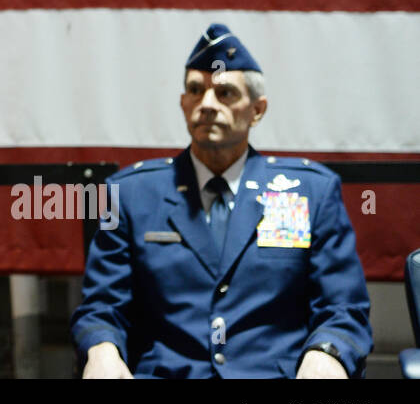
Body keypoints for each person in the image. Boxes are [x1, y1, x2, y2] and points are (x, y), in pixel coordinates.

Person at [71, 23, 372, 378]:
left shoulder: (308, 191)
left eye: (225, 93)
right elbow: (103, 306)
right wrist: (101, 348)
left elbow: (343, 306)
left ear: (257, 110)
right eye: (195, 91)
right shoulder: (131, 195)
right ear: (183, 104)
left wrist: (328, 352)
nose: (207, 105)